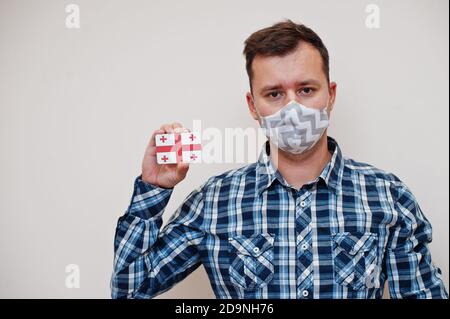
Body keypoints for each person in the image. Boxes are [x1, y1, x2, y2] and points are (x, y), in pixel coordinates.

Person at [111, 19, 448, 299]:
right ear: (253, 105)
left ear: (330, 95)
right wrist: (152, 190)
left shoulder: (387, 196)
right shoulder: (214, 202)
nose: (292, 109)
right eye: (274, 94)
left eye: (306, 90)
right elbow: (128, 289)